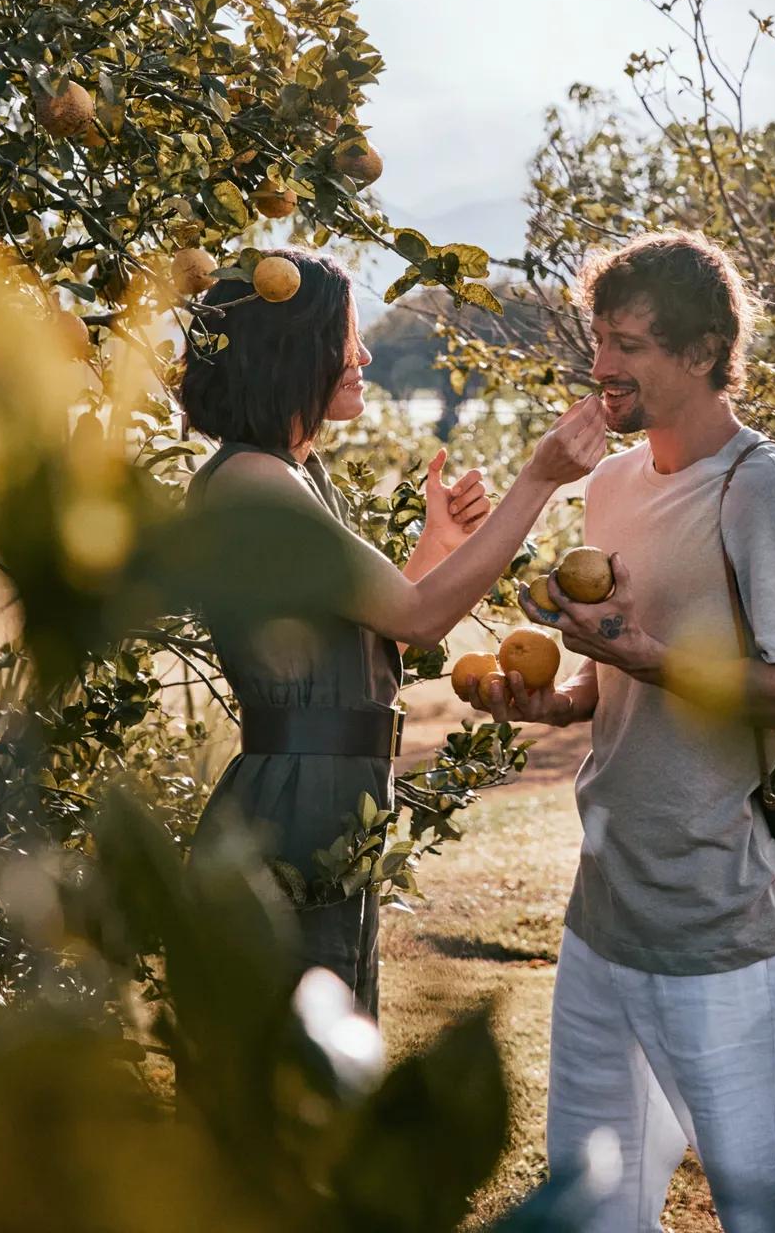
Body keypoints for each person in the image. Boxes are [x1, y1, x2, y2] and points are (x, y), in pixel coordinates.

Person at [473, 230, 775, 1233]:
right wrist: (562, 699)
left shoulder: (768, 495)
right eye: (599, 337)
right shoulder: (610, 485)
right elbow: (618, 670)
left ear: (704, 349)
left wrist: (642, 655)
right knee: (591, 1196)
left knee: (763, 1196)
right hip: (608, 900)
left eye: (630, 343)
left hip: (721, 910)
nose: (602, 366)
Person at [180, 246, 606, 1019]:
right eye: (346, 336)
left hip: (329, 796)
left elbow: (382, 641)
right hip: (294, 801)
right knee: (292, 1070)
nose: (363, 356)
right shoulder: (252, 482)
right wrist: (538, 480)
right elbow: (419, 617)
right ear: (293, 350)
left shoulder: (295, 477)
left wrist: (437, 545)